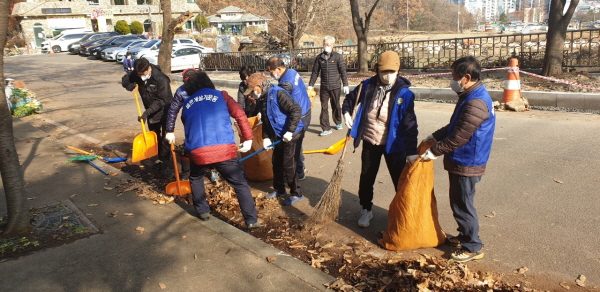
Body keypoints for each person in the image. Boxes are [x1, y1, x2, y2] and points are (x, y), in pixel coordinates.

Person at [420, 56, 496, 263]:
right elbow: (455, 125)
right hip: (464, 159)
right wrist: (435, 136)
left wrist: (434, 151)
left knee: (462, 204)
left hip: (467, 161)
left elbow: (460, 137)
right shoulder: (469, 94)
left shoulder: (476, 102)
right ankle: (464, 236)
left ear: (466, 77)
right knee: (459, 201)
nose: (451, 81)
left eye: (454, 77)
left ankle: (472, 246)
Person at [341, 51, 418, 228]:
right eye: (383, 71)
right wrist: (346, 111)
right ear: (377, 70)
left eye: (391, 72)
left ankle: (403, 211)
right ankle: (366, 209)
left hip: (394, 145)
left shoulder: (405, 94)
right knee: (367, 178)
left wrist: (411, 151)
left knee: (400, 181)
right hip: (370, 141)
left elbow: (410, 125)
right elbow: (350, 100)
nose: (387, 75)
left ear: (398, 70)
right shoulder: (367, 86)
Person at [179, 71, 260, 228]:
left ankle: (202, 211)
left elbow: (187, 124)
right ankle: (251, 220)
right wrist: (248, 138)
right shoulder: (221, 95)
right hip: (223, 149)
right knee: (239, 183)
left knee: (196, 177)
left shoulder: (187, 103)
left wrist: (189, 149)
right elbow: (240, 115)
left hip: (198, 151)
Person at [244, 73, 305, 206]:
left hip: (293, 134)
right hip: (278, 135)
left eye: (253, 91)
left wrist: (290, 131)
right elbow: (266, 120)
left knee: (289, 164)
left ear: (259, 86)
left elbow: (296, 110)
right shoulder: (262, 98)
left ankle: (296, 193)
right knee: (276, 162)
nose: (252, 95)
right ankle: (279, 189)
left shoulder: (278, 93)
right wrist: (266, 138)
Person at [121, 57, 173, 176]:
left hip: (165, 111)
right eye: (138, 74)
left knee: (166, 139)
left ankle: (165, 166)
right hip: (151, 113)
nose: (140, 77)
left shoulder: (161, 79)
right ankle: (159, 158)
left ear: (149, 68)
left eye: (142, 74)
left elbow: (162, 100)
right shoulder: (137, 73)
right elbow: (125, 78)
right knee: (154, 136)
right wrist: (128, 85)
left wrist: (146, 113)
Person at [266, 56, 311, 181]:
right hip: (306, 110)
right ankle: (298, 169)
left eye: (271, 72)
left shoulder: (285, 84)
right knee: (297, 143)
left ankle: (299, 171)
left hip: (299, 116)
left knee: (294, 145)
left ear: (279, 69)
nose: (270, 75)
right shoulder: (292, 72)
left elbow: (281, 100)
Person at [308, 36, 349, 136]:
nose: (326, 46)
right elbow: (315, 72)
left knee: (336, 105)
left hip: (335, 86)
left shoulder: (338, 57)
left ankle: (338, 121)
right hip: (324, 87)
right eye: (325, 44)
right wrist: (310, 85)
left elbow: (343, 71)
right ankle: (326, 128)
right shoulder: (319, 58)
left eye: (328, 44)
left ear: (333, 45)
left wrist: (345, 84)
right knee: (324, 107)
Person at [163, 68, 198, 180]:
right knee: (187, 146)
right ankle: (187, 172)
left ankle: (212, 170)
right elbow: (173, 110)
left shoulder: (206, 88)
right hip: (189, 122)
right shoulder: (181, 91)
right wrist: (169, 130)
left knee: (209, 145)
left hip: (207, 121)